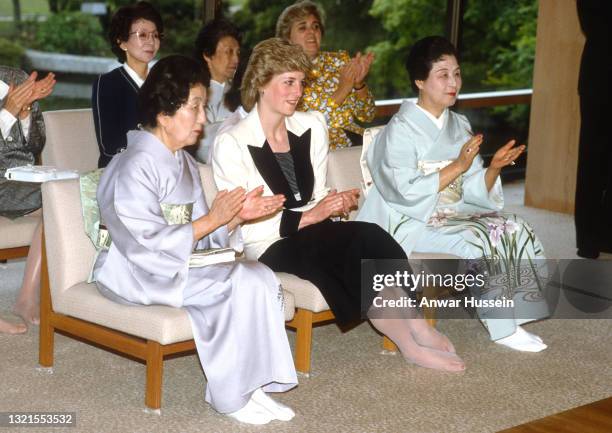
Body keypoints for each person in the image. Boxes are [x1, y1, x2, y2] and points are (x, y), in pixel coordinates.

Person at [213, 38, 465, 372]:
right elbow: (246, 223)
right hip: (269, 243)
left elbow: (315, 195)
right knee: (354, 245)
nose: (297, 92)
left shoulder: (311, 125)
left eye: (301, 83)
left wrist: (332, 202)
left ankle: (415, 322)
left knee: (370, 235)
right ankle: (410, 344)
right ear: (260, 83)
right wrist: (313, 215)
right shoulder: (230, 142)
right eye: (288, 82)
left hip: (315, 230)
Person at [93, 55, 297, 424]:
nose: (204, 118)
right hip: (135, 272)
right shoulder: (130, 165)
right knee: (234, 283)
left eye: (203, 106)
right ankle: (231, 396)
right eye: (196, 107)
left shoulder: (183, 162)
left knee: (259, 275)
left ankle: (255, 386)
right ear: (164, 113)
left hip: (171, 262)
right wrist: (211, 219)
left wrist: (234, 217)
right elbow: (142, 242)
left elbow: (206, 236)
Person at [357, 36, 549, 352]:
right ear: (420, 80)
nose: (453, 83)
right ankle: (502, 329)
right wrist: (458, 165)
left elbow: (472, 186)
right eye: (443, 75)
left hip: (451, 212)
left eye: (457, 74)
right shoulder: (399, 131)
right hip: (409, 220)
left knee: (512, 225)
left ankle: (517, 313)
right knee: (477, 237)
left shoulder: (458, 123)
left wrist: (494, 169)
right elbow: (404, 191)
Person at [276, 0, 375, 149]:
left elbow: (367, 115)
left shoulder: (340, 61)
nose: (311, 32)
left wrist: (359, 85)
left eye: (315, 26)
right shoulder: (283, 74)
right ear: (287, 38)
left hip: (357, 144)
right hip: (316, 151)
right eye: (303, 28)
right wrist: (341, 91)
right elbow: (302, 127)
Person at [0, 66, 55, 334]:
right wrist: (7, 113)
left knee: (59, 208)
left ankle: (26, 298)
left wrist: (24, 114)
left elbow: (36, 146)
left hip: (18, 185)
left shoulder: (15, 78)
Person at [92, 1, 163, 167]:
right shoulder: (108, 83)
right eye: (143, 35)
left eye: (155, 35)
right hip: (121, 170)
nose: (151, 42)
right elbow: (110, 146)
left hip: (162, 165)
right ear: (122, 42)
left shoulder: (163, 81)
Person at [574, 0, 612, 259]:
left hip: (597, 75)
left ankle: (607, 235)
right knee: (591, 160)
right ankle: (587, 239)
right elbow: (593, 25)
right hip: (599, 78)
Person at [193, 18, 243, 163]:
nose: (236, 59)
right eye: (229, 52)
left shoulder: (242, 92)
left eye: (238, 53)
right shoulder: (193, 93)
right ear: (207, 55)